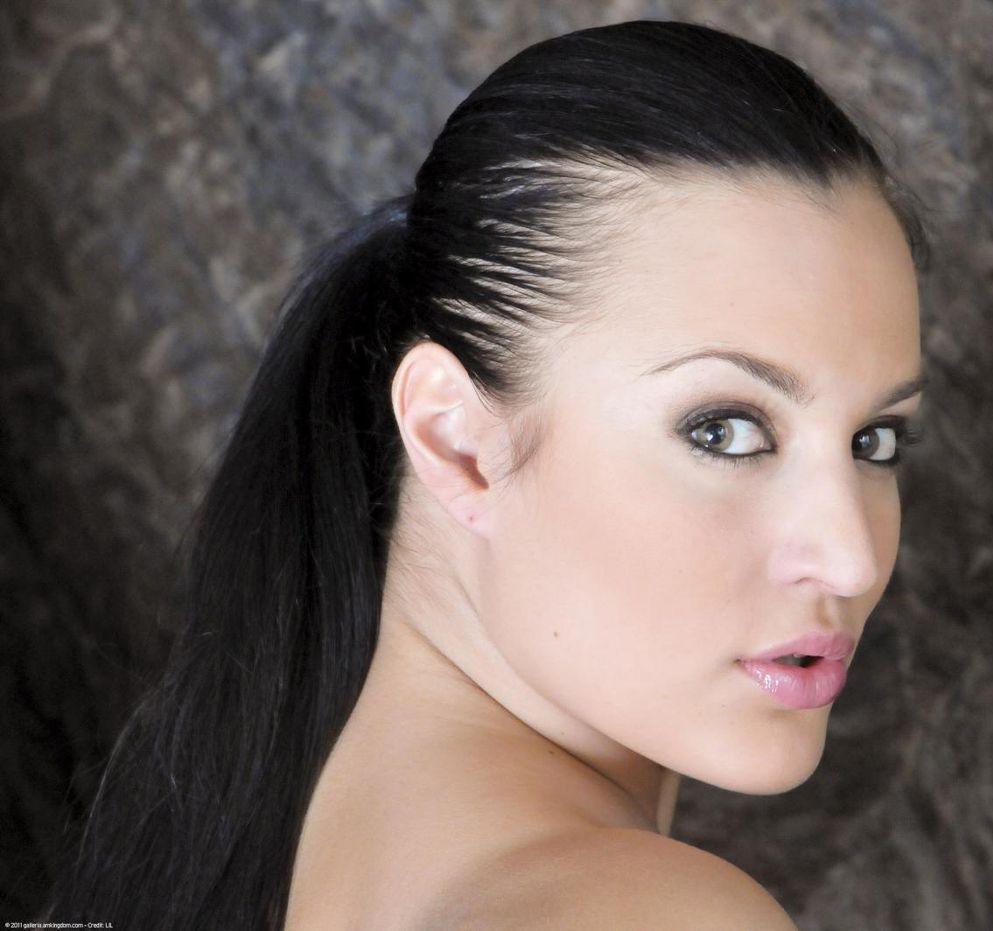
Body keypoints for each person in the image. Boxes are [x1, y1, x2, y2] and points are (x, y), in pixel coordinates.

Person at [40, 18, 929, 929]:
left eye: (875, 442)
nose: (851, 559)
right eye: (726, 430)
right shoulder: (657, 915)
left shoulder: (264, 869)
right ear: (456, 439)